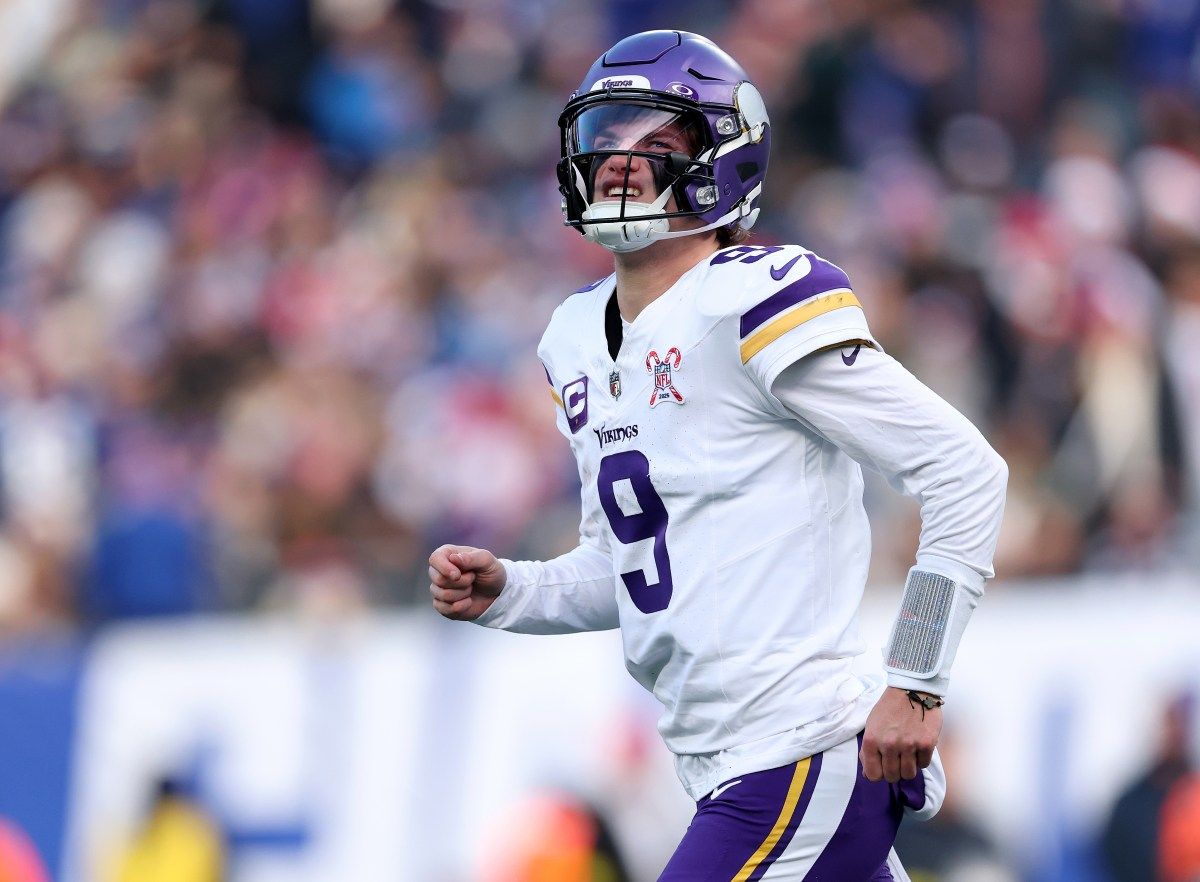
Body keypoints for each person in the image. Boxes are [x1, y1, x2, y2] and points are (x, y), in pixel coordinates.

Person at [429, 30, 1007, 881]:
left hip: (800, 746)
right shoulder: (575, 337)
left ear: (722, 159)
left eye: (656, 139)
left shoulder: (753, 298)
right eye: (604, 137)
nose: (619, 161)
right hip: (723, 763)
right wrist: (513, 590)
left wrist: (917, 679)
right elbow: (631, 565)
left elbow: (965, 471)